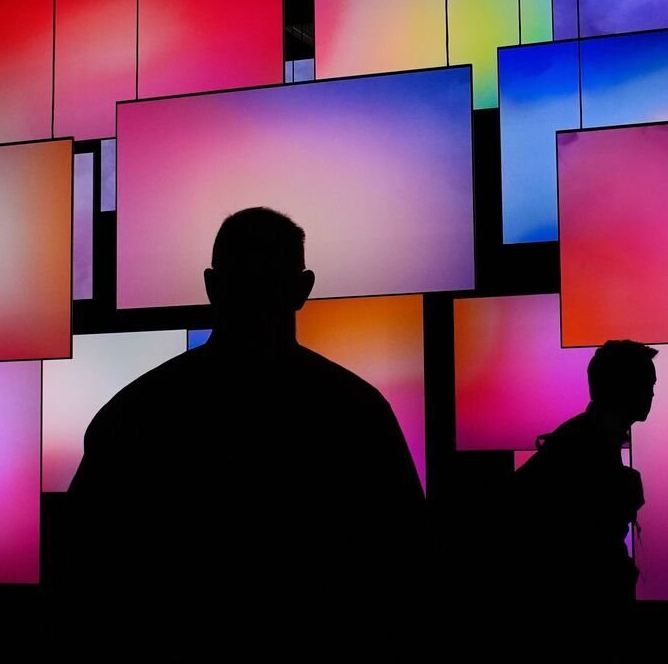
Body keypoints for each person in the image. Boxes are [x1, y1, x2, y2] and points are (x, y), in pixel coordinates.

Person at [68, 208, 424, 652]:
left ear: (212, 287)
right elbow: (406, 566)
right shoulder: (357, 412)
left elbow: (83, 573)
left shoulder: (135, 414)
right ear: (302, 290)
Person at [509, 339, 657, 611]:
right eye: (648, 384)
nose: (652, 394)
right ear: (624, 388)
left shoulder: (582, 438)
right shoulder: (584, 445)